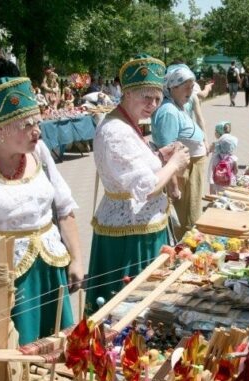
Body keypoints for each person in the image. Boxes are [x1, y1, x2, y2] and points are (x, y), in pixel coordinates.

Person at [0, 77, 84, 345]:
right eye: (26, 125)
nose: (37, 131)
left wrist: (76, 259)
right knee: (18, 355)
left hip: (50, 269)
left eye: (37, 122)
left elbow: (64, 206)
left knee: (58, 347)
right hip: (7, 279)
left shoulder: (39, 151)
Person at [86, 55, 190, 309]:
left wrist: (159, 155)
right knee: (127, 306)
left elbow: (131, 171)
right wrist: (174, 164)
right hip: (129, 235)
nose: (152, 105)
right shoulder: (116, 131)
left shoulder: (127, 123)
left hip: (139, 227)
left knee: (142, 304)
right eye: (146, 97)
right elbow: (145, 188)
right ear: (127, 93)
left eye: (156, 98)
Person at [152, 63, 208, 240]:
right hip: (182, 173)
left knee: (191, 215)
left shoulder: (178, 105)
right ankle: (184, 253)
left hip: (190, 169)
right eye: (186, 88)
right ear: (172, 87)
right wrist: (174, 187)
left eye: (192, 87)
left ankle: (188, 249)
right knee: (185, 220)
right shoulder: (168, 111)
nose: (190, 92)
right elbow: (167, 154)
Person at [208, 121, 238, 194]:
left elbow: (208, 150)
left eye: (216, 131)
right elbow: (236, 171)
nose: (215, 133)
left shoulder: (216, 147)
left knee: (212, 184)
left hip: (217, 180)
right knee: (227, 192)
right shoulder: (233, 158)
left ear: (219, 133)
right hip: (228, 181)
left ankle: (212, 198)